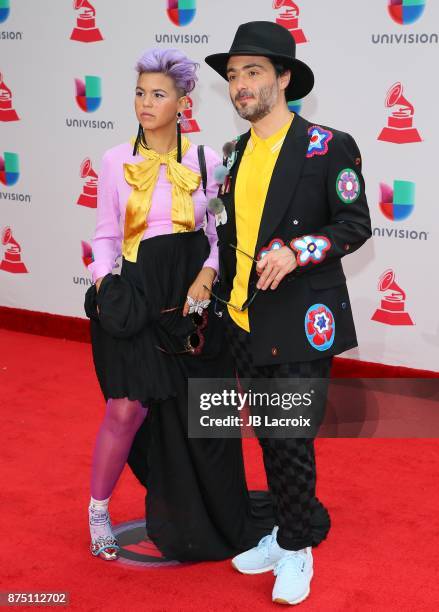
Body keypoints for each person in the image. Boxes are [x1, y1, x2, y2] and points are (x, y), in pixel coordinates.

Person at [84, 47, 280, 564]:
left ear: (182, 103)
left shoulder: (207, 161)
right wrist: (105, 284)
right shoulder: (113, 160)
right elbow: (104, 236)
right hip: (137, 298)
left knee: (202, 411)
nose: (145, 103)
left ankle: (211, 512)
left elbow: (220, 233)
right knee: (126, 408)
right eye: (140, 93)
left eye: (158, 94)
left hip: (193, 301)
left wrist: (208, 275)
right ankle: (98, 511)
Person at [205, 21, 372, 605]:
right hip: (244, 319)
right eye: (232, 76)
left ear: (283, 77)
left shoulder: (330, 145)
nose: (240, 85)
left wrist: (297, 251)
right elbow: (230, 234)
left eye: (252, 72)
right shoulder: (234, 154)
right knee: (270, 437)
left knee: (291, 436)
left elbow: (354, 225)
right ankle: (287, 529)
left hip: (303, 320)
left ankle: (299, 547)